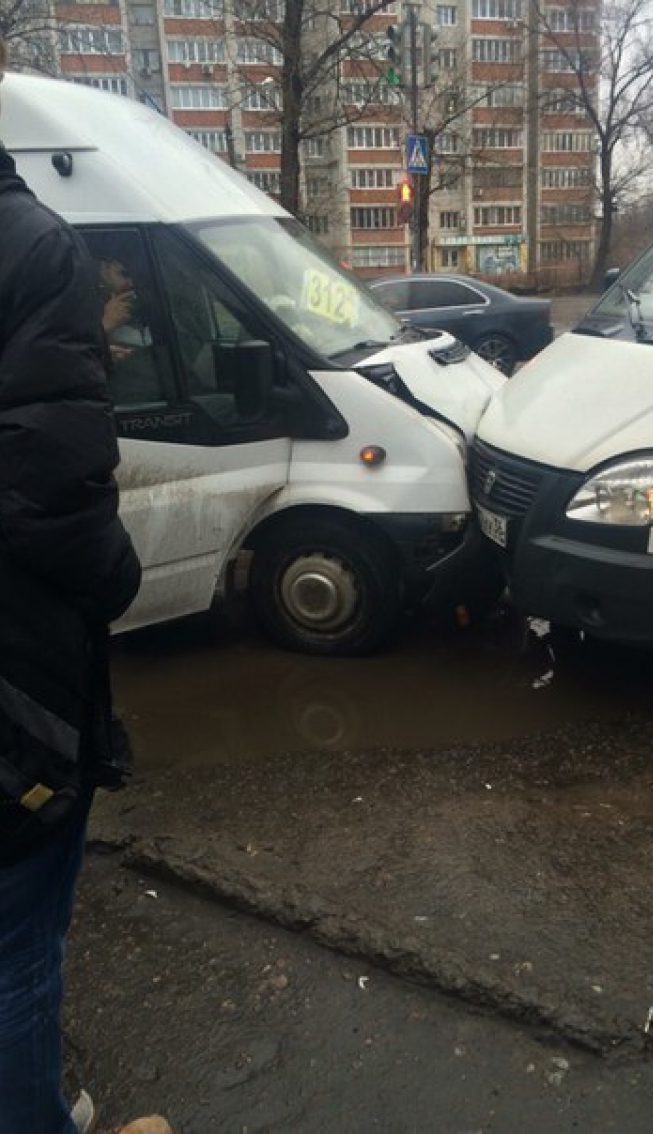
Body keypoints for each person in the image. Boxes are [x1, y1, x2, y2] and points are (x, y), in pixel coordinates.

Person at [0, 37, 172, 1134]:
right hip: (13, 673)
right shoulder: (33, 247)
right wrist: (117, 576)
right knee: (17, 942)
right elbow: (50, 499)